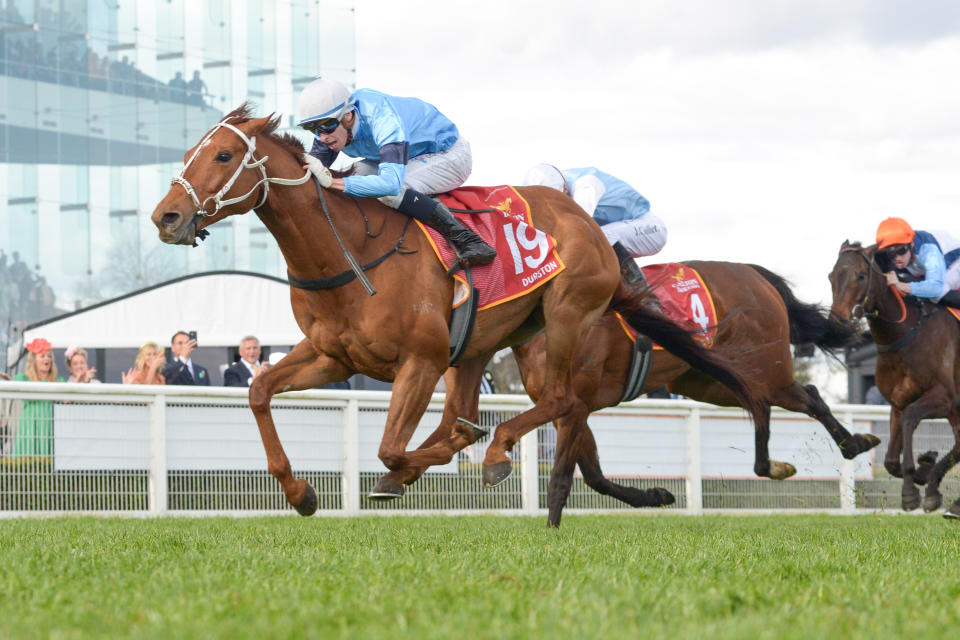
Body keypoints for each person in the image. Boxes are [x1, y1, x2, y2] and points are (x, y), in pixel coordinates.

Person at [296, 77, 496, 269]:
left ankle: (469, 240)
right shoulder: (329, 128)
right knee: (349, 175)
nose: (322, 137)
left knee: (390, 191)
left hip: (448, 154)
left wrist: (336, 182)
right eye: (312, 128)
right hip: (405, 156)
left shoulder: (382, 117)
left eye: (327, 126)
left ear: (348, 115)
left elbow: (390, 184)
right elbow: (312, 173)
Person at [522, 164, 667, 286]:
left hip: (649, 228)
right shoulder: (555, 186)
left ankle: (645, 296)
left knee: (599, 236)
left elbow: (580, 224)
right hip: (620, 230)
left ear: (565, 188)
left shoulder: (586, 184)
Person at [876, 217, 960, 308]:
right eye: (891, 254)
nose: (897, 258)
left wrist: (902, 286)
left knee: (936, 293)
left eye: (901, 251)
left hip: (954, 260)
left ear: (911, 245)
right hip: (922, 266)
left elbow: (936, 288)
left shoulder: (928, 250)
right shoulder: (882, 254)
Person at [10, 337, 64, 456]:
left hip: (50, 428)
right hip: (29, 428)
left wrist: (82, 381)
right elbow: (18, 388)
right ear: (34, 359)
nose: (47, 359)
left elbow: (68, 400)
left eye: (49, 356)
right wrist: (10, 380)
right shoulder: (23, 379)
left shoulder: (58, 382)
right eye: (42, 356)